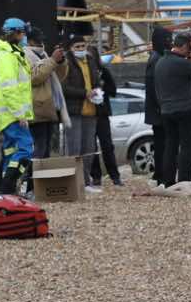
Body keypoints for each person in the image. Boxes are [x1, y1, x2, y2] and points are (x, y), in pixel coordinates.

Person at [0, 19, 36, 194]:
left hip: (9, 114)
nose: (24, 36)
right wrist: (20, 113)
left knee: (10, 151)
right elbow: (10, 88)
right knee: (26, 149)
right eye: (22, 33)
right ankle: (7, 187)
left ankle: (4, 190)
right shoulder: (7, 56)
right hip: (12, 114)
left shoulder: (12, 54)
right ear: (14, 33)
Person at [154, 33, 191, 186]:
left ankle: (168, 181)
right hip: (184, 109)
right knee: (187, 147)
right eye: (190, 47)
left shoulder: (161, 62)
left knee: (170, 146)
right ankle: (185, 182)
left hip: (166, 110)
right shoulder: (180, 63)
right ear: (185, 46)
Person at [59, 34, 104, 193]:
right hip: (74, 111)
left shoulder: (91, 60)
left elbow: (96, 81)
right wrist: (85, 93)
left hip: (91, 110)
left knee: (89, 149)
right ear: (71, 48)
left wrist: (98, 91)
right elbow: (63, 88)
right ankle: (72, 183)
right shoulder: (66, 63)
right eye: (77, 47)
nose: (80, 49)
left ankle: (85, 182)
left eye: (82, 46)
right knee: (74, 149)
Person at [27, 29, 69, 159]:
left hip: (49, 107)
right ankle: (31, 172)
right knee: (39, 148)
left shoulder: (43, 54)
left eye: (41, 40)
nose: (41, 43)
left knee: (45, 150)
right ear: (29, 41)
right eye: (37, 40)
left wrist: (60, 62)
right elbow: (34, 78)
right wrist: (52, 60)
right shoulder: (25, 55)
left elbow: (59, 77)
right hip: (36, 108)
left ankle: (41, 173)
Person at [87, 44, 125, 188]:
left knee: (107, 146)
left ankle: (115, 176)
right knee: (91, 148)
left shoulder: (103, 71)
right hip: (89, 113)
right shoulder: (83, 72)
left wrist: (102, 87)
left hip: (102, 113)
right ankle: (96, 176)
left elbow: (113, 90)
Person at [144, 26, 172, 182]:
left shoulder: (157, 57)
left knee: (163, 144)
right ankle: (161, 174)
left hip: (159, 109)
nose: (170, 42)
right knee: (162, 144)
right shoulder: (156, 59)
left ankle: (161, 174)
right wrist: (161, 106)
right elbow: (153, 87)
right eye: (167, 39)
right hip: (159, 111)